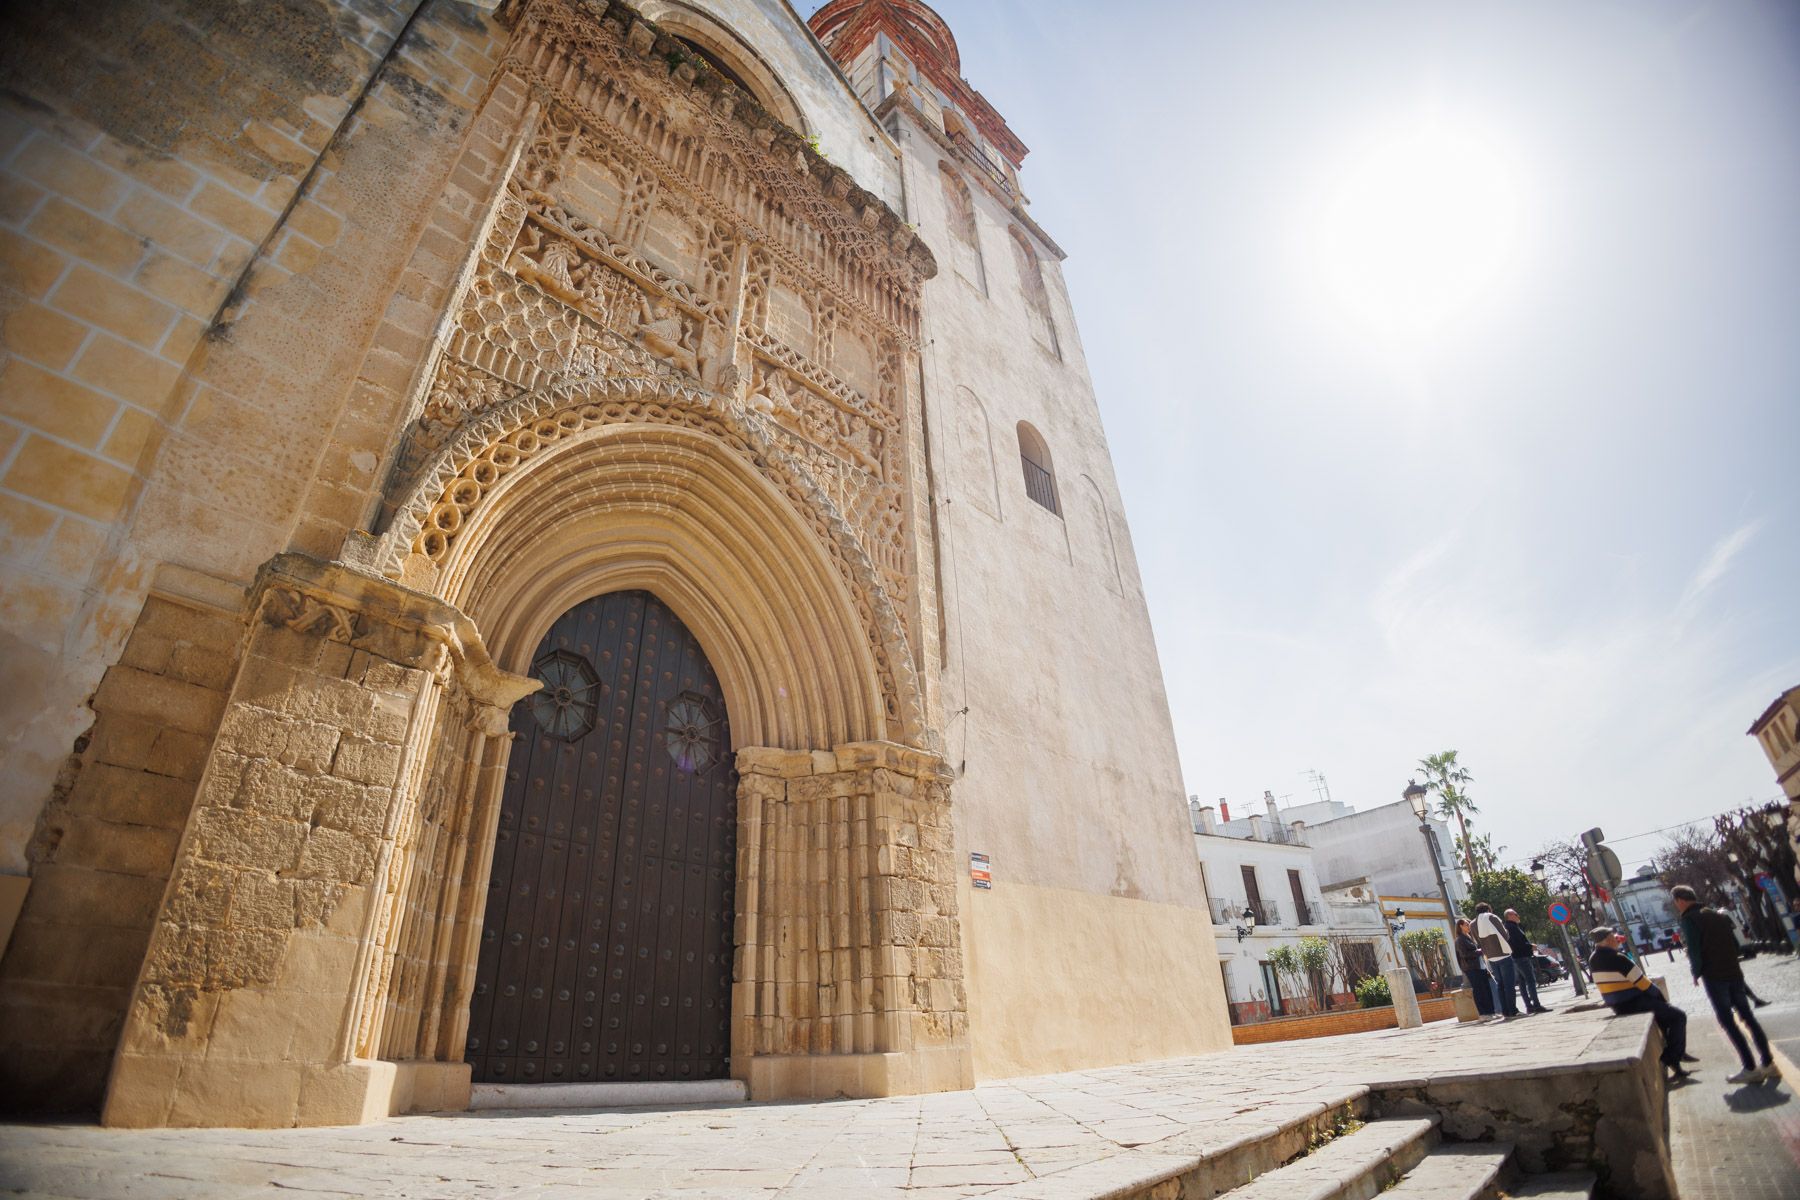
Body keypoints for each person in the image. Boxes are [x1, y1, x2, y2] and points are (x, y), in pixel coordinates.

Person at [1672, 884, 1776, 1084]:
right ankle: (1769, 1063)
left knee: (1728, 1021)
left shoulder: (1689, 919)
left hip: (1714, 975)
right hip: (1734, 972)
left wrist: (1696, 972)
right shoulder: (1716, 914)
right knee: (1748, 1018)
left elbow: (1694, 950)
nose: (1677, 906)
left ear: (1680, 900)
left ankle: (1750, 1067)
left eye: (1676, 903)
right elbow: (1736, 944)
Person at [1588, 925, 1692, 1080]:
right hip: (1633, 1001)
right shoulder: (1618, 958)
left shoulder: (1593, 959)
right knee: (1678, 1016)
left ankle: (1677, 1058)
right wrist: (1662, 1000)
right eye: (1614, 938)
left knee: (1664, 1020)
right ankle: (1671, 1056)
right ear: (1609, 940)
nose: (1617, 940)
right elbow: (1645, 984)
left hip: (1617, 1006)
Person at [1473, 903, 1521, 1018]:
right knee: (1509, 984)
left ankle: (1505, 1011)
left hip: (1490, 957)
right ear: (1489, 909)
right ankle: (1513, 1010)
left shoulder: (1473, 924)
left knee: (1500, 985)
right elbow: (1505, 935)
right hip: (1503, 954)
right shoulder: (1492, 917)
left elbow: (1477, 942)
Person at [1503, 908, 1551, 1014]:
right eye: (1516, 914)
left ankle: (1529, 1006)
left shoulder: (1509, 927)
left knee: (1522, 983)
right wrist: (1530, 946)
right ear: (1510, 915)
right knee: (1530, 981)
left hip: (1516, 958)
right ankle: (1536, 1005)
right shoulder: (1512, 927)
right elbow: (1517, 943)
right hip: (1521, 957)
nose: (1518, 916)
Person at [1454, 918, 1499, 1020]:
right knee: (1479, 990)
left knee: (1486, 989)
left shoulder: (1470, 937)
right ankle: (1483, 1014)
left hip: (1481, 967)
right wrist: (1479, 951)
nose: (1468, 925)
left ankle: (1491, 1012)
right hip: (1471, 968)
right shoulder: (1460, 940)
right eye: (1466, 924)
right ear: (1460, 926)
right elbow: (1464, 954)